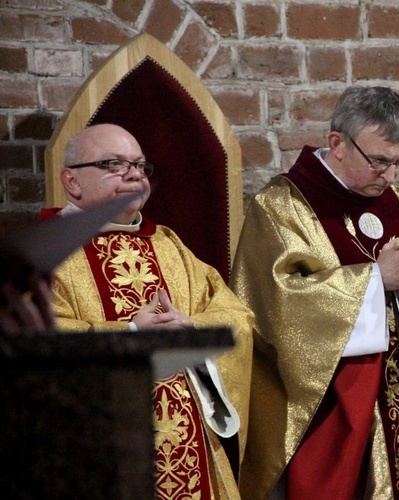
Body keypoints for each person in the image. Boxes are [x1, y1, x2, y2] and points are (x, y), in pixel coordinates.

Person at [230, 85, 399, 499]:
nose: (391, 177)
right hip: (330, 405)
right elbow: (279, 304)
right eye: (379, 161)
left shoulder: (398, 203)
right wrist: (375, 281)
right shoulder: (281, 206)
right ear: (337, 143)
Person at [42, 123, 253, 499]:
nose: (135, 174)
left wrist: (193, 327)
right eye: (114, 164)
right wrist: (129, 334)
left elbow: (236, 314)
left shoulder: (169, 244)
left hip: (191, 450)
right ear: (72, 181)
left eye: (140, 165)